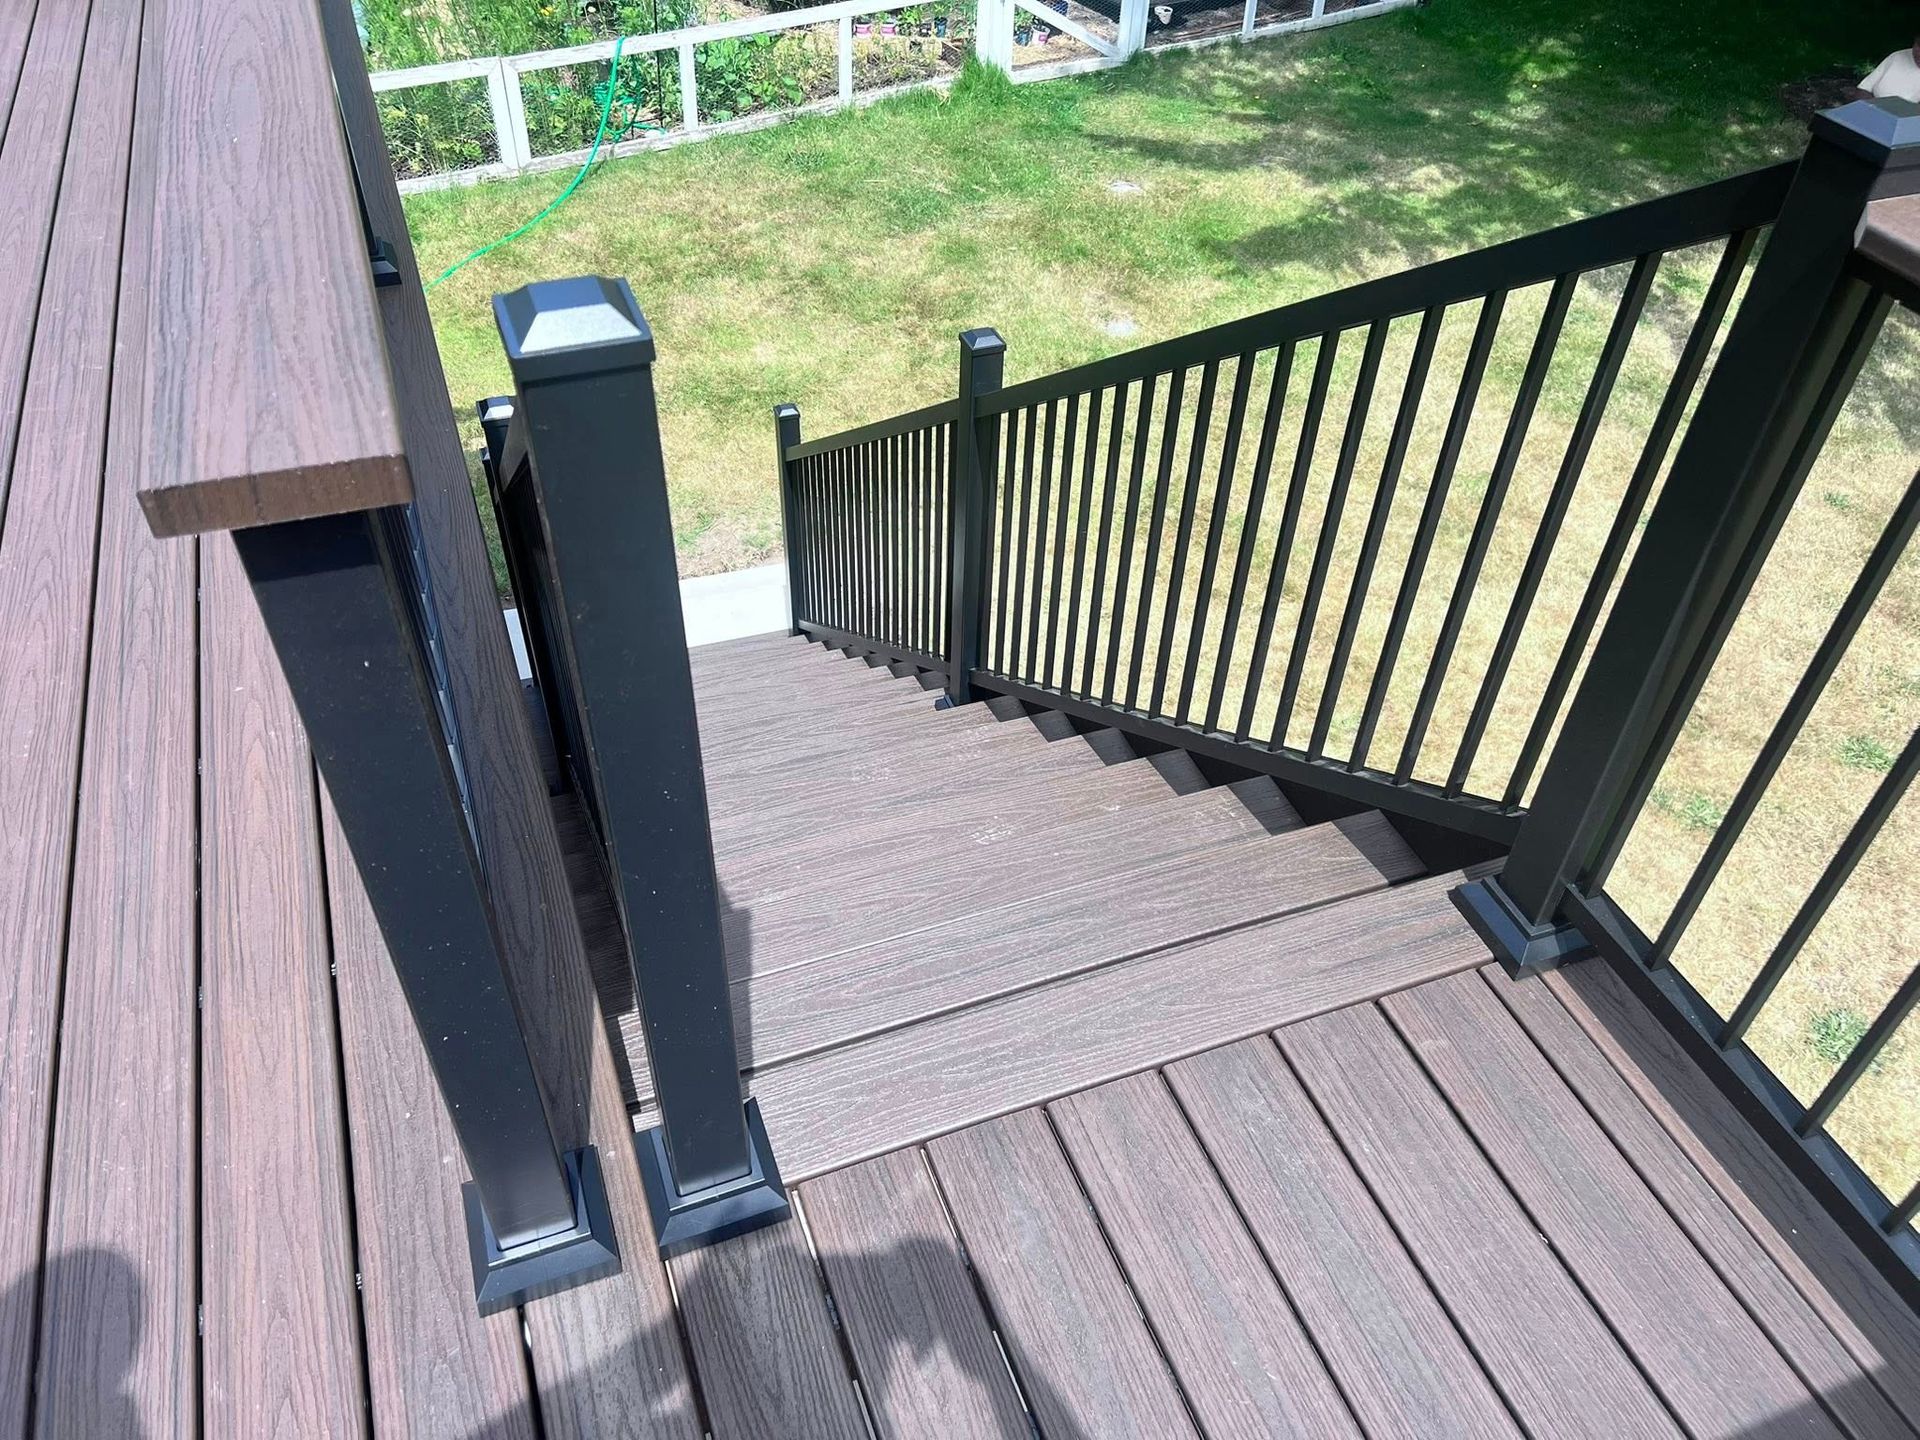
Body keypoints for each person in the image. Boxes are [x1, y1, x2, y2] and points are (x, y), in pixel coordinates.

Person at [1858, 36, 1920, 103]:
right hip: (1873, 107)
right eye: (1919, 45)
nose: (1919, 54)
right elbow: (1864, 89)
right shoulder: (1897, 56)